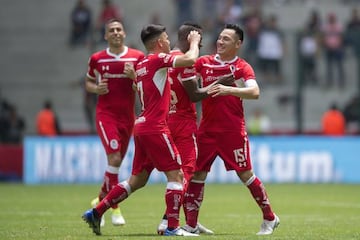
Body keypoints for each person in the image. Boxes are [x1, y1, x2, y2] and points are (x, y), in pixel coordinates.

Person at [82, 23, 201, 236]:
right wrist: (193, 42)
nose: (168, 41)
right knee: (177, 176)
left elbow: (141, 86)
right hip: (156, 127)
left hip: (141, 126)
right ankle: (172, 227)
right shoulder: (157, 59)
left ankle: (97, 211)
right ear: (159, 42)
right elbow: (190, 59)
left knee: (137, 180)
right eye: (165, 38)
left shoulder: (142, 63)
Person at [181, 23, 280, 236]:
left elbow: (254, 92)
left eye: (226, 39)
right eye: (219, 37)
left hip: (232, 132)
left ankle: (270, 218)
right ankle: (191, 224)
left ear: (238, 44)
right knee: (198, 174)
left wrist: (228, 89)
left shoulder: (242, 66)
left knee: (246, 174)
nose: (220, 41)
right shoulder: (204, 62)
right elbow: (184, 72)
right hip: (206, 131)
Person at [156, 22, 231, 235]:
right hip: (183, 123)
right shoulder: (187, 61)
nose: (204, 41)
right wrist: (220, 84)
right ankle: (167, 221)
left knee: (140, 176)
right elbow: (195, 95)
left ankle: (100, 209)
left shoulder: (166, 58)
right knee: (188, 171)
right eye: (200, 37)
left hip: (163, 120)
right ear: (191, 37)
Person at [84, 18, 145, 227]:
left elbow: (145, 87)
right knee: (115, 158)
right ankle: (114, 209)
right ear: (106, 35)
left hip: (128, 117)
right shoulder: (97, 59)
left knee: (115, 161)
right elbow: (89, 81)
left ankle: (100, 201)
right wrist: (95, 88)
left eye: (119, 29)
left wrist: (135, 76)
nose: (116, 32)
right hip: (106, 114)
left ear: (125, 33)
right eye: (112, 30)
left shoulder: (137, 57)